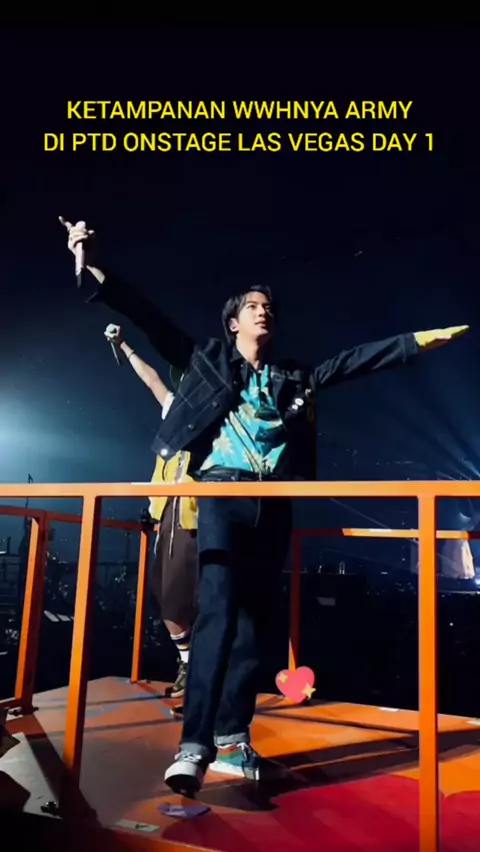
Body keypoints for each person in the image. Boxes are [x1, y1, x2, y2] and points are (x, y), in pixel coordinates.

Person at [60, 218, 468, 795]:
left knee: (255, 624)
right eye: (252, 306)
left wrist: (419, 342)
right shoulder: (205, 359)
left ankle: (233, 738)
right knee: (219, 612)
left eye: (268, 307)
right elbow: (147, 316)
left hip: (272, 501)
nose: (263, 312)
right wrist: (91, 263)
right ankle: (194, 746)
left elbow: (353, 362)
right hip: (221, 493)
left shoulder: (291, 376)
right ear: (233, 323)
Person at [104, 322, 198, 699]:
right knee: (166, 598)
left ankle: (200, 668)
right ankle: (190, 663)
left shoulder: (219, 413)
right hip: (170, 514)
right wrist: (124, 345)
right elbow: (150, 379)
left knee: (196, 599)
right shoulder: (175, 409)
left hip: (200, 513)